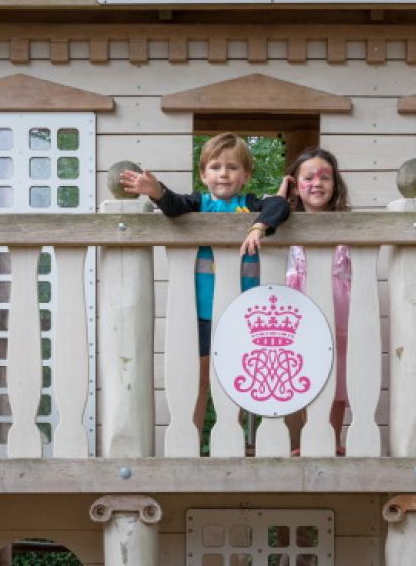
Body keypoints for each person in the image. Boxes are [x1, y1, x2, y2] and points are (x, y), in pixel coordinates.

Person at [119, 133, 290, 427]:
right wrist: (155, 191)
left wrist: (258, 226)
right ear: (203, 174)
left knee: (235, 381)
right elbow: (174, 205)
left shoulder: (251, 205)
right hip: (201, 310)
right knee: (197, 381)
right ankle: (194, 442)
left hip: (242, 311)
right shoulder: (198, 203)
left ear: (246, 175)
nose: (223, 173)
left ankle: (231, 443)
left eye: (232, 167)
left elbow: (279, 205)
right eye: (215, 167)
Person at [279, 147, 352, 447]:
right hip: (301, 306)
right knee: (306, 369)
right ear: (296, 185)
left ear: (335, 185)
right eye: (308, 177)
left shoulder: (347, 225)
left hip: (340, 306)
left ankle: (332, 438)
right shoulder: (285, 225)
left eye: (325, 177)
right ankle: (312, 439)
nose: (317, 183)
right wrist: (280, 197)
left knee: (339, 372)